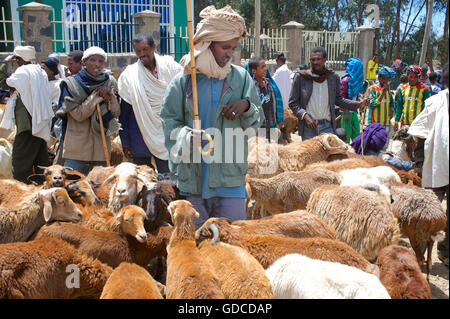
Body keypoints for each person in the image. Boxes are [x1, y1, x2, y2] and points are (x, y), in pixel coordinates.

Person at [160, 5, 263, 229]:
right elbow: (168, 122)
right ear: (208, 44)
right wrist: (187, 136)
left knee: (234, 241)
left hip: (231, 178)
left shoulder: (241, 78)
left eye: (233, 47)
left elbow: (258, 119)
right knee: (196, 245)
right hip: (193, 179)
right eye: (225, 47)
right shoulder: (185, 80)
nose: (230, 53)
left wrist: (246, 106)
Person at [118, 34, 182, 173]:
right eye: (138, 51)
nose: (142, 54)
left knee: (169, 179)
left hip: (167, 133)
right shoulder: (130, 75)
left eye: (145, 49)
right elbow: (124, 114)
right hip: (139, 135)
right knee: (143, 179)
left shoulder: (171, 68)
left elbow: (183, 99)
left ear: (153, 47)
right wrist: (126, 143)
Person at [54, 46, 120, 175]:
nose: (97, 64)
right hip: (76, 151)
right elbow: (78, 115)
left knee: (98, 189)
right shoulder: (70, 84)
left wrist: (111, 95)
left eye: (101, 61)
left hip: (101, 150)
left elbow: (116, 112)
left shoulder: (109, 82)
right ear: (84, 62)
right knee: (73, 187)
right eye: (92, 60)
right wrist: (96, 97)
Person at [408, 62, 449, 267]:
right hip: (436, 165)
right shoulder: (435, 102)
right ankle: (417, 255)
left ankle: (445, 251)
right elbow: (420, 131)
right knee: (426, 213)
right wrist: (419, 162)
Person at [288, 46, 369, 140]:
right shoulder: (301, 77)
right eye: (313, 59)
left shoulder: (332, 77)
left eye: (318, 59)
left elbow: (338, 100)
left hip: (327, 126)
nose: (315, 62)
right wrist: (305, 116)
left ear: (325, 59)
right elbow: (293, 103)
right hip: (308, 127)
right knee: (311, 155)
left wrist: (358, 104)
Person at [0, 46, 53, 183]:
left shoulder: (23, 71)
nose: (15, 62)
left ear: (19, 59)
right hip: (37, 124)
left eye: (16, 59)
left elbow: (6, 83)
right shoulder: (38, 70)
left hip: (27, 126)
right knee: (41, 162)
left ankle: (22, 190)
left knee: (20, 163)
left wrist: (4, 66)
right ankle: (44, 189)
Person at [245, 56, 284, 141]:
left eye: (265, 66)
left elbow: (274, 103)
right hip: (257, 128)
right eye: (262, 67)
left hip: (272, 126)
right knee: (259, 152)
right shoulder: (250, 87)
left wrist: (278, 122)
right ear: (254, 71)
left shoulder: (269, 84)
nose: (265, 69)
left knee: (272, 152)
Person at [394, 65, 431, 132]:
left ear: (419, 77)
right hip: (404, 124)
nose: (413, 79)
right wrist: (396, 122)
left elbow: (426, 108)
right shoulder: (402, 89)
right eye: (411, 76)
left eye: (415, 77)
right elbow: (399, 107)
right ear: (407, 76)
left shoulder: (425, 89)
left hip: (418, 124)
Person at [339, 57, 365, 143]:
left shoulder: (356, 81)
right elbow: (342, 99)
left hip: (353, 112)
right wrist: (346, 113)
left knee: (357, 136)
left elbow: (356, 98)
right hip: (345, 113)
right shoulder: (345, 81)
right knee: (346, 136)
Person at [367, 66, 396, 143]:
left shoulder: (388, 90)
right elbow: (372, 104)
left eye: (388, 79)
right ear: (379, 77)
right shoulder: (372, 89)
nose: (386, 81)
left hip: (386, 123)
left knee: (384, 144)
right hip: (375, 123)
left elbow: (391, 102)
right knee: (375, 144)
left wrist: (391, 109)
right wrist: (382, 93)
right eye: (384, 78)